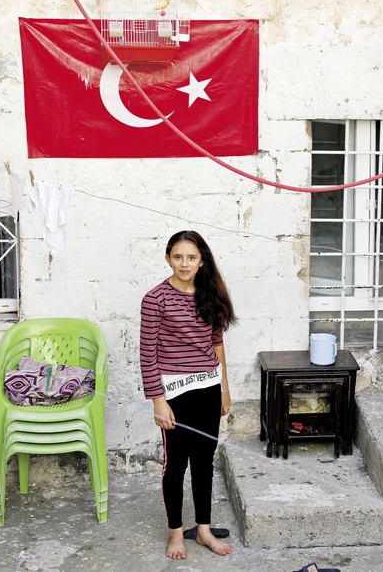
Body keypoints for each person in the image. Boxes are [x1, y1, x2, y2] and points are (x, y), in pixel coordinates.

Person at [139, 230, 237, 559]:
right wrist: (158, 400)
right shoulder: (155, 299)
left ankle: (204, 530)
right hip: (174, 394)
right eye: (178, 257)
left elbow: (217, 345)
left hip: (208, 389)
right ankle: (176, 533)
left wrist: (224, 389)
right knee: (176, 464)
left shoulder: (211, 295)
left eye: (191, 257)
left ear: (201, 261)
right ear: (168, 258)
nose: (184, 263)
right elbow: (148, 354)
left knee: (204, 462)